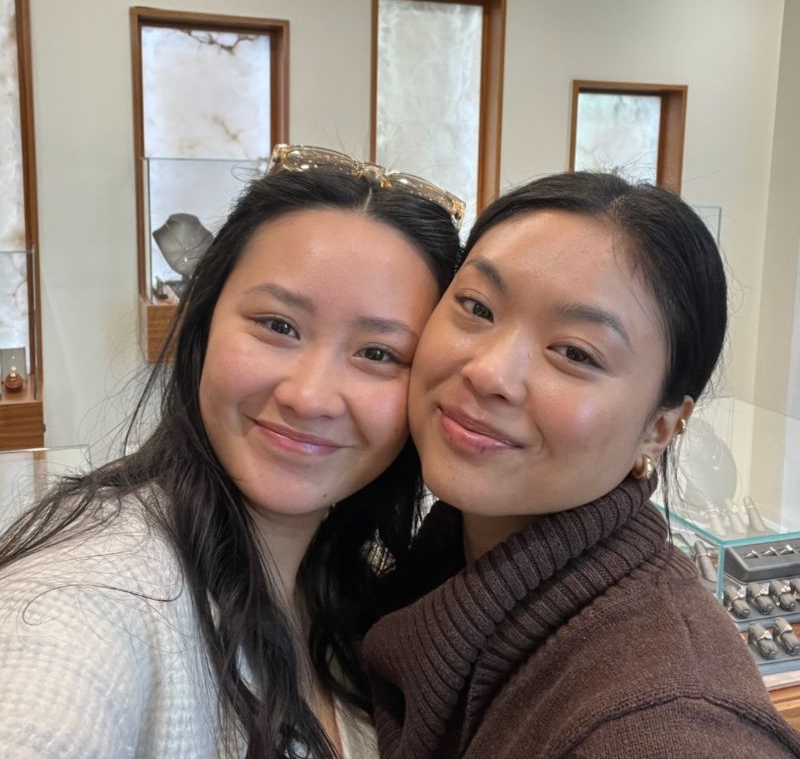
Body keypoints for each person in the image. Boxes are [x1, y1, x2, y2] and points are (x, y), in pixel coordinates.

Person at [0, 145, 462, 759]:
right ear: (205, 322)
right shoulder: (96, 586)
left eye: (378, 354)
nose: (309, 397)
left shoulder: (355, 590)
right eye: (278, 325)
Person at [364, 172, 800, 758]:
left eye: (575, 352)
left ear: (659, 428)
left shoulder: (668, 717)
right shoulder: (443, 562)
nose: (489, 373)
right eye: (476, 307)